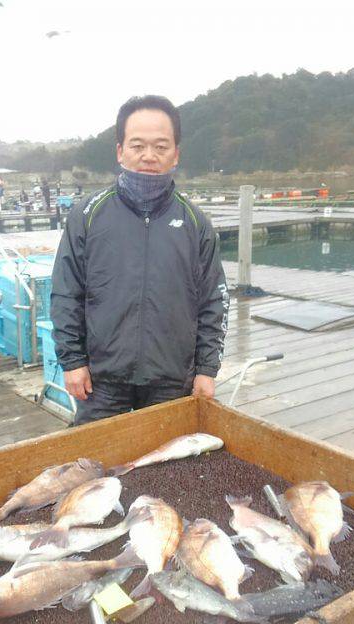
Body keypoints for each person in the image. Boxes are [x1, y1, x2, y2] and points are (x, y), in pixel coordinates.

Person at [51, 95, 229, 425]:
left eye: (161, 147)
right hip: (101, 380)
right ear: (120, 151)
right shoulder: (88, 215)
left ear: (176, 154)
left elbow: (213, 301)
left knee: (167, 472)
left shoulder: (196, 222)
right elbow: (65, 293)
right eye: (138, 145)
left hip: (173, 380)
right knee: (91, 465)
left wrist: (206, 370)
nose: (149, 156)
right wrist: (72, 361)